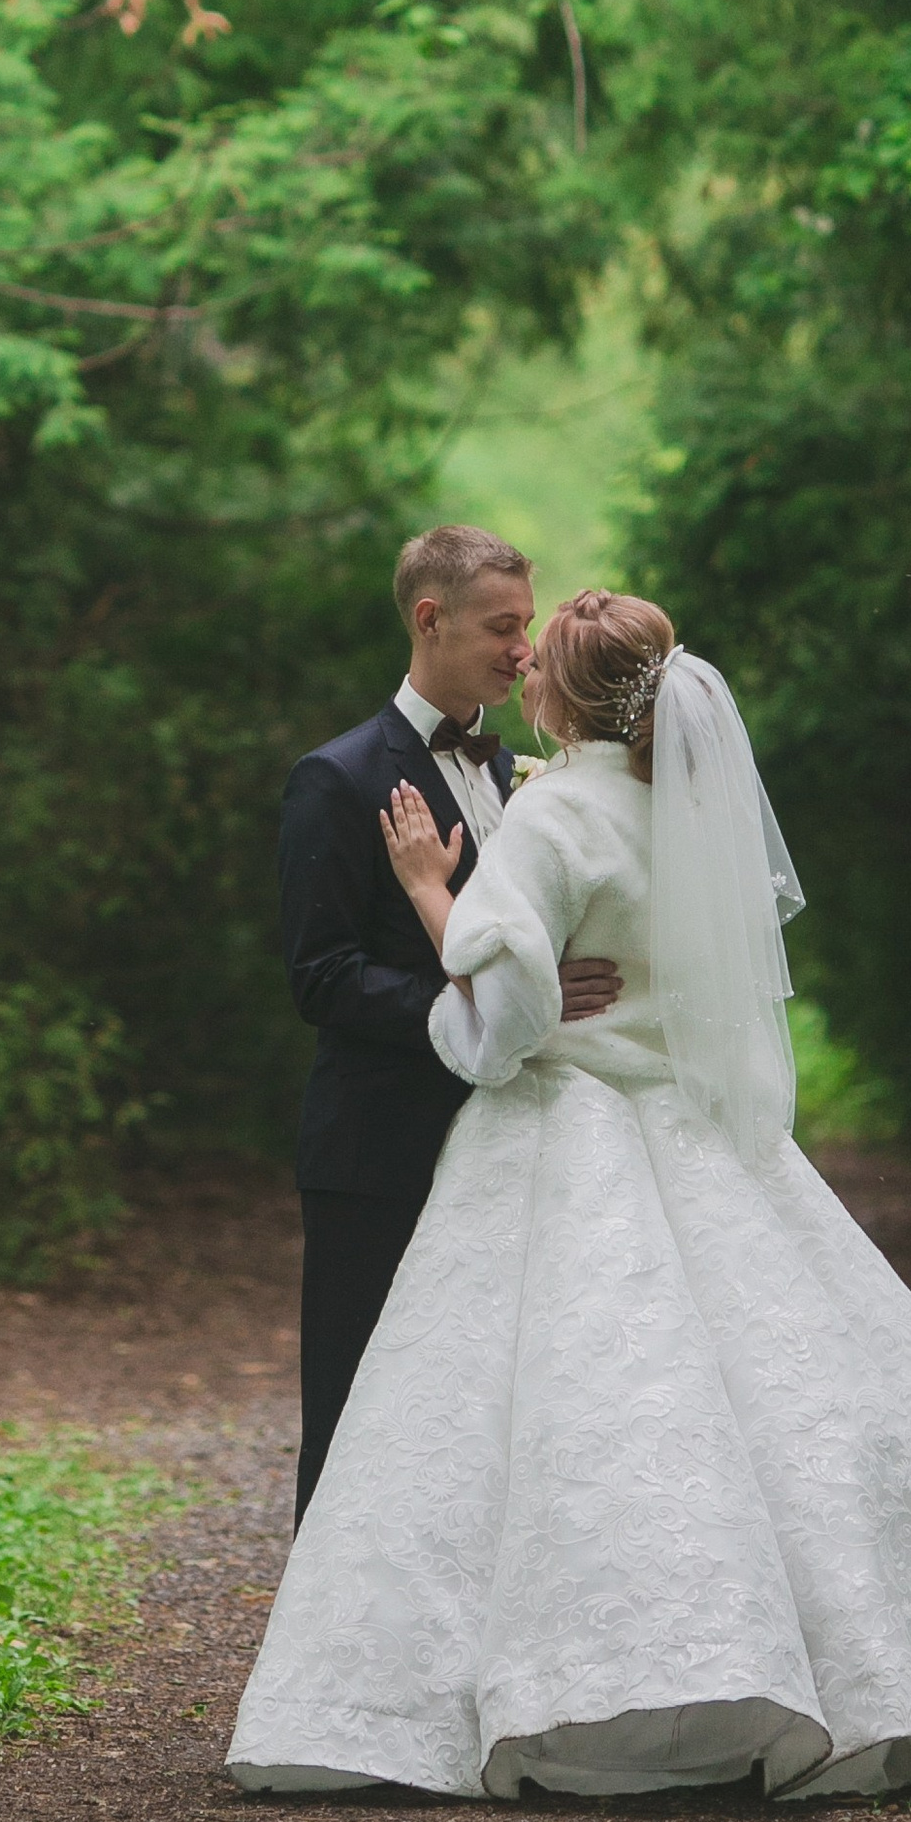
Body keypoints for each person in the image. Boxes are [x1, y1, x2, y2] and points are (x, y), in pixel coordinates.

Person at [232, 589, 911, 1800]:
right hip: (691, 1129)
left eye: (539, 658)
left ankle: (532, 1681)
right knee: (790, 1390)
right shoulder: (683, 809)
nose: (521, 670)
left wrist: (430, 888)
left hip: (563, 1134)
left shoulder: (550, 813)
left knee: (546, 1409)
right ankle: (897, 1659)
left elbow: (499, 1032)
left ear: (567, 695)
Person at [278, 526, 622, 1526]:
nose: (524, 650)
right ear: (430, 619)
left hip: (512, 1147)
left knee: (478, 1408)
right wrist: (482, 1012)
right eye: (501, 627)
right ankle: (322, 1614)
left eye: (528, 625)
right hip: (380, 1144)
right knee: (353, 1400)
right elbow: (322, 976)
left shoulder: (528, 777)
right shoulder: (337, 777)